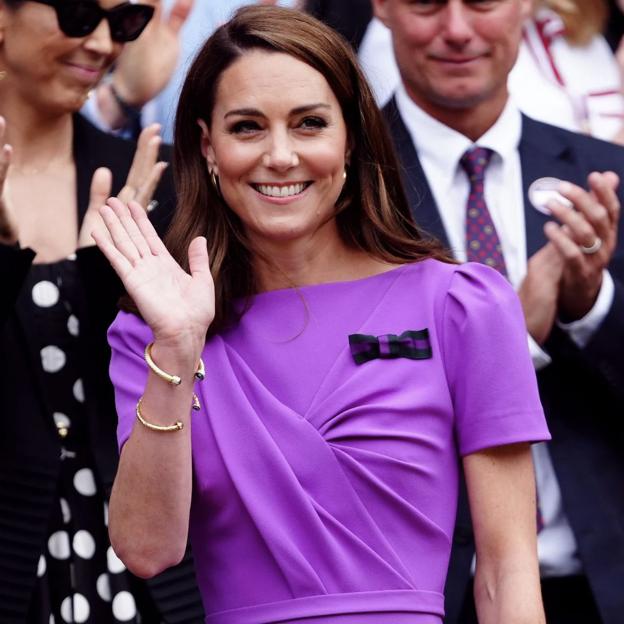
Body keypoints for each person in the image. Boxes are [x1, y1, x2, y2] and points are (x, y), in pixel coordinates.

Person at [94, 6, 550, 623]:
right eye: (248, 127)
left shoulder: (461, 304)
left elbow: (507, 570)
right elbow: (147, 550)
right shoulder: (154, 331)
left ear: (351, 139)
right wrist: (178, 343)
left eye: (309, 124)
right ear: (206, 147)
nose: (280, 156)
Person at [372, 0, 624, 622]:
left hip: (601, 580)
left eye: (482, 1)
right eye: (428, 3)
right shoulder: (346, 187)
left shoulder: (606, 174)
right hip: (431, 591)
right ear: (381, 7)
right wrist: (511, 335)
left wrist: (589, 306)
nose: (457, 30)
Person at [0, 0, 203, 621]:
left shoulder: (143, 184)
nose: (101, 43)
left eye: (125, 23)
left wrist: (100, 284)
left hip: (136, 572)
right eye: (80, 12)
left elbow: (188, 388)